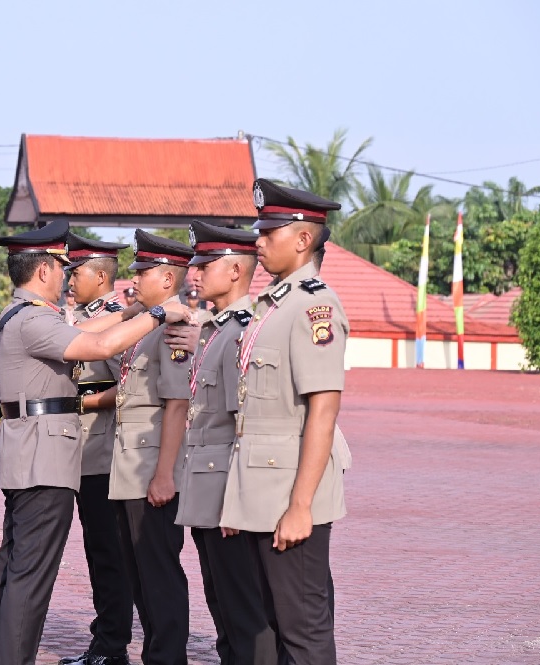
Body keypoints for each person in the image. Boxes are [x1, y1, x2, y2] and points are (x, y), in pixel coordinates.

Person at [0, 220, 189, 665]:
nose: (66, 274)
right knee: (30, 577)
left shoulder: (20, 312)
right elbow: (96, 345)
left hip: (33, 452)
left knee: (15, 568)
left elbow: (99, 328)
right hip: (45, 456)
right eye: (61, 266)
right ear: (42, 272)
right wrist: (155, 314)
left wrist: (132, 312)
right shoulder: (37, 318)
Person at [221, 179, 349, 665]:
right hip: (260, 491)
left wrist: (301, 507)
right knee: (269, 624)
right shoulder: (268, 307)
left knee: (302, 629)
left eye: (269, 231)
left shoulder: (314, 306)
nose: (259, 241)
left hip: (292, 494)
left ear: (302, 239)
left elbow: (323, 409)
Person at [170, 220, 277, 665]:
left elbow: (243, 424)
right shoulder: (216, 329)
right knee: (222, 603)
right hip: (206, 488)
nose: (195, 274)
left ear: (235, 271)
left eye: (206, 265)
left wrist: (237, 501)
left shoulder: (241, 332)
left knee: (245, 609)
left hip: (229, 495)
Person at [110, 230, 194, 665]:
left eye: (143, 272)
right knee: (139, 573)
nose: (134, 279)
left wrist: (165, 475)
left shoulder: (174, 329)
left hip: (152, 467)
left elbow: (177, 405)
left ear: (166, 279)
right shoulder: (147, 326)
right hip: (130, 463)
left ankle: (167, 657)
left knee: (159, 572)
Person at [58, 233, 134, 665]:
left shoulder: (116, 319)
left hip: (103, 454)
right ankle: (106, 641)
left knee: (108, 555)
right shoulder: (78, 317)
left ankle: (111, 646)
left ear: (101, 276)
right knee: (98, 553)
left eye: (77, 272)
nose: (70, 279)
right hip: (82, 451)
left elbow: (127, 388)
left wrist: (76, 402)